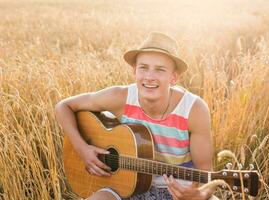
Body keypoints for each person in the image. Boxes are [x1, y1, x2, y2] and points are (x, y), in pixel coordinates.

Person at [55, 32, 218, 200]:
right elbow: (63, 106)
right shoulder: (121, 97)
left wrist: (199, 194)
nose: (149, 77)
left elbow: (206, 173)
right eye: (143, 67)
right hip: (122, 186)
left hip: (178, 191)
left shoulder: (193, 109)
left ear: (174, 77)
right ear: (134, 70)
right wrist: (82, 149)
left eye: (160, 70)